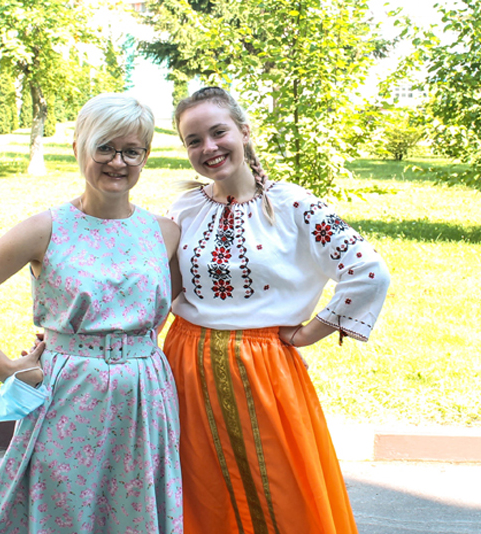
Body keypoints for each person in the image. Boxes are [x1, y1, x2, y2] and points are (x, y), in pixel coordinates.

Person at [0, 93, 183, 534]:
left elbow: (165, 303)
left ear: (145, 156)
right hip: (70, 393)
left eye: (132, 151)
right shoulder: (46, 229)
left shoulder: (164, 232)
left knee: (133, 510)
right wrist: (5, 368)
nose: (118, 162)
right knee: (61, 507)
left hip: (144, 396)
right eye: (105, 147)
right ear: (77, 148)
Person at [163, 86, 391, 534]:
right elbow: (158, 288)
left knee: (280, 494)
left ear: (244, 132)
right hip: (184, 364)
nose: (208, 147)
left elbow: (369, 272)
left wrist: (308, 333)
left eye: (218, 132)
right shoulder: (184, 209)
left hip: (263, 370)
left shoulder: (294, 205)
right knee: (200, 492)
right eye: (194, 140)